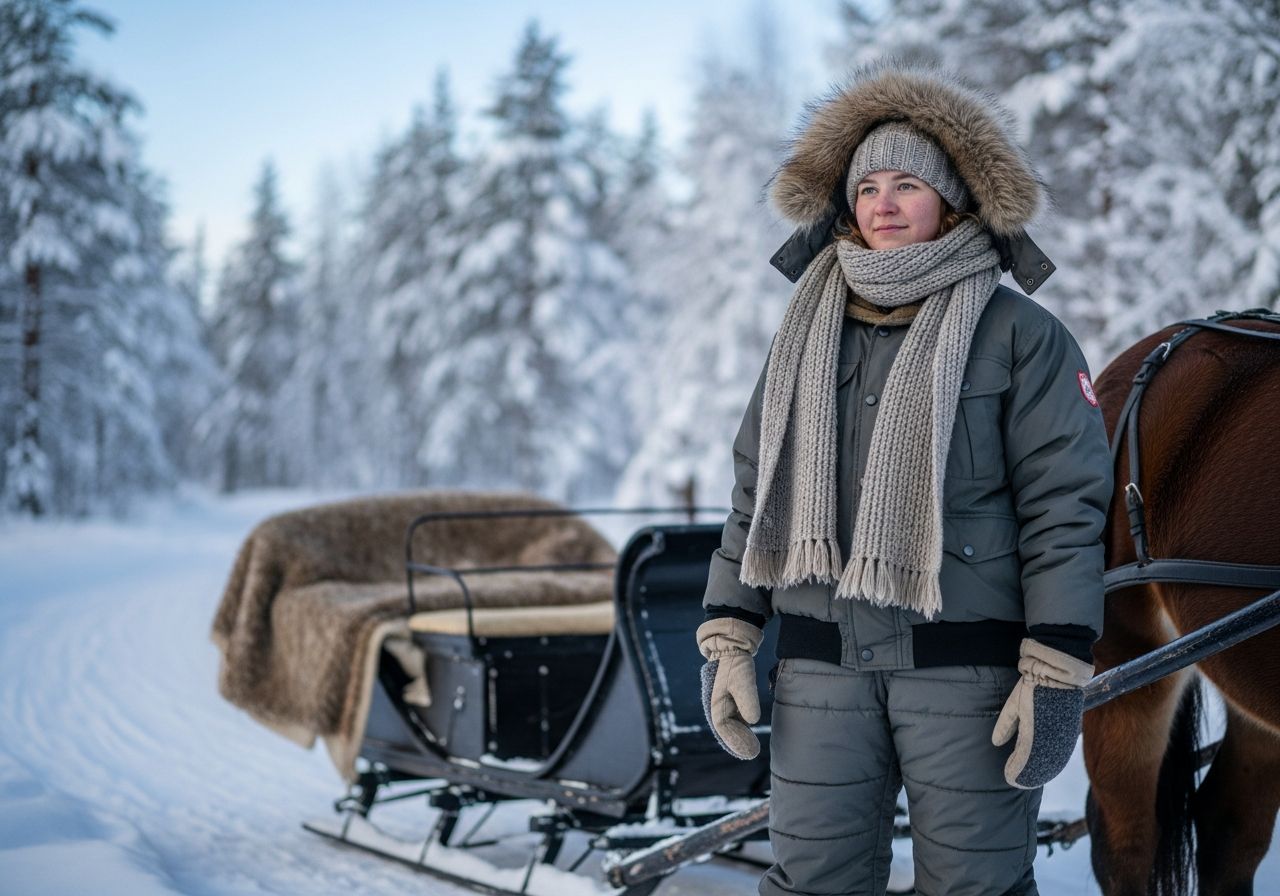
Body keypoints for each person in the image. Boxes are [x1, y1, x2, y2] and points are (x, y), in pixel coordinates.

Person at [695, 63, 1114, 895]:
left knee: (976, 886)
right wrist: (730, 636)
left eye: (908, 185)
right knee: (811, 881)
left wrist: (1057, 665)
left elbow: (1064, 507)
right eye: (868, 186)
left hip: (964, 678)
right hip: (820, 676)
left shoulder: (1019, 334)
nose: (883, 204)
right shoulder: (804, 331)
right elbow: (756, 488)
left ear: (953, 201)